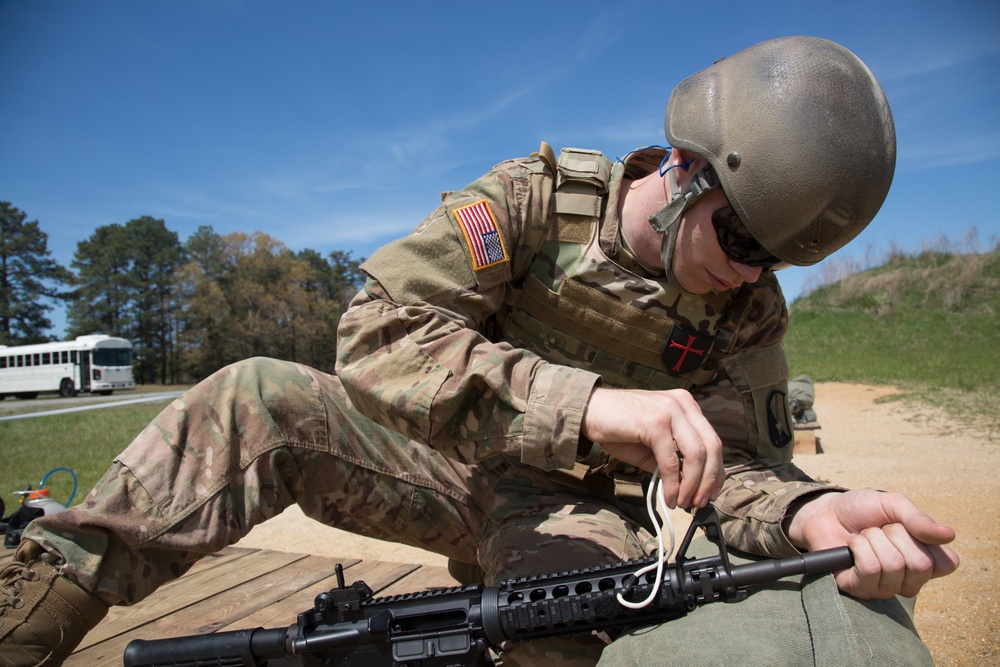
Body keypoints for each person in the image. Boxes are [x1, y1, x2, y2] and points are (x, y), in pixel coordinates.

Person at [0, 36, 958, 667]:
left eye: (775, 261)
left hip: (585, 516)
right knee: (253, 397)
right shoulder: (532, 206)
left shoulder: (747, 315)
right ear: (682, 167)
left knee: (559, 614)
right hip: (448, 468)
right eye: (741, 241)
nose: (750, 279)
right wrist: (585, 405)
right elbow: (375, 337)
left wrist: (810, 509)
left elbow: (739, 472)